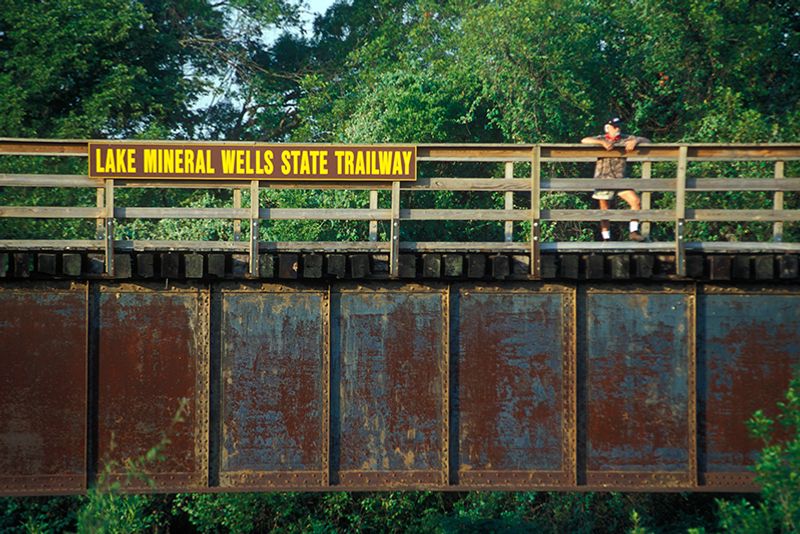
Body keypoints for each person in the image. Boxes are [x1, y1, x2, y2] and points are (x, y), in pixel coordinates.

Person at [581, 117, 650, 241]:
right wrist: (602, 143)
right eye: (614, 126)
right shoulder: (602, 138)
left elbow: (647, 141)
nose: (617, 128)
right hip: (603, 178)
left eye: (618, 126)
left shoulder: (625, 138)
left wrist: (637, 141)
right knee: (605, 210)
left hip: (621, 179)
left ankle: (633, 231)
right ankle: (606, 238)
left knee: (635, 201)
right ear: (608, 128)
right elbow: (584, 140)